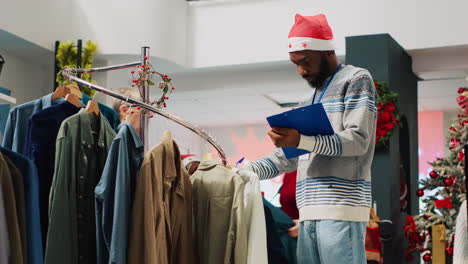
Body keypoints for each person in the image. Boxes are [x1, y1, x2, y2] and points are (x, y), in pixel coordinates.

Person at [244, 14, 377, 264]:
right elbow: (287, 158)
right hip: (307, 215)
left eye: (305, 61)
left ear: (326, 51)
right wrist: (242, 172)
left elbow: (358, 141)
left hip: (342, 211)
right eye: (295, 64)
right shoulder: (308, 100)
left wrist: (300, 140)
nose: (301, 71)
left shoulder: (357, 79)